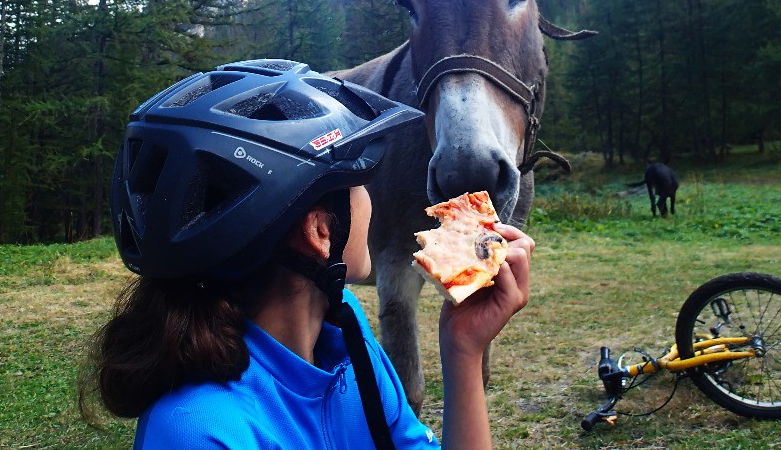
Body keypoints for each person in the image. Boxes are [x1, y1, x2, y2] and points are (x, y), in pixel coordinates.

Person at [81, 59, 535, 449]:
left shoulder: (342, 333)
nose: (369, 199)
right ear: (321, 231)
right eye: (361, 182)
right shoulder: (199, 433)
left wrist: (463, 350)